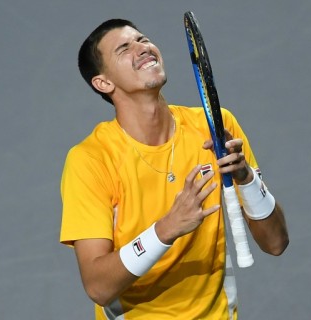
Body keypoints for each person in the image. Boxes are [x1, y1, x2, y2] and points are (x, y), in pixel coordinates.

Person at [60, 18, 289, 320]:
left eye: (142, 40)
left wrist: (245, 178)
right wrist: (166, 229)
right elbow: (98, 286)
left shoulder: (215, 128)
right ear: (104, 83)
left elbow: (275, 243)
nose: (142, 49)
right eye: (124, 49)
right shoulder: (90, 160)